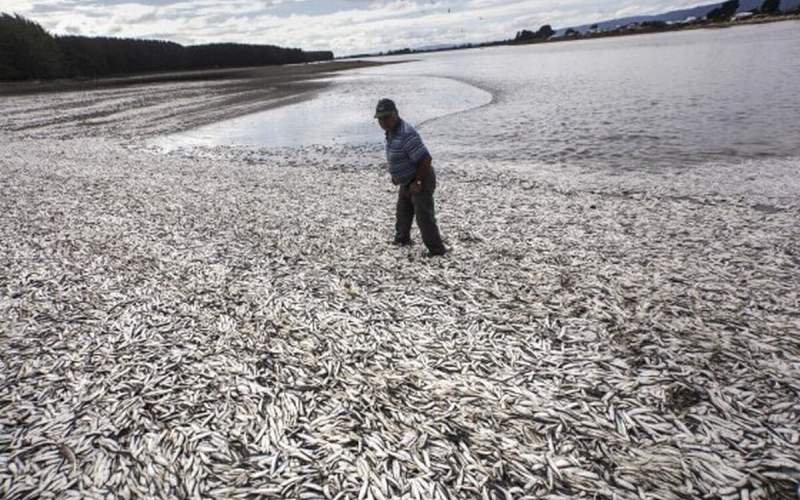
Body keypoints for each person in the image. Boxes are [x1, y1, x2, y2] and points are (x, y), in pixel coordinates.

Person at [374, 98, 447, 257]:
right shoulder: (391, 132)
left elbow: (426, 159)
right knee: (403, 212)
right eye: (380, 118)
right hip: (407, 181)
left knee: (424, 217)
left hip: (421, 179)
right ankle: (402, 239)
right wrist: (396, 176)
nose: (383, 121)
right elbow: (398, 155)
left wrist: (418, 182)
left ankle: (437, 250)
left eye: (386, 117)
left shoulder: (406, 133)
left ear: (395, 114)